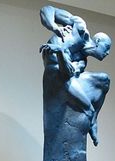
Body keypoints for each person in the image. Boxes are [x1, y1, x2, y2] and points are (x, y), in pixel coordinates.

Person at [39, 5, 111, 145]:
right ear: (98, 42)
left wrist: (60, 51)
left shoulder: (81, 62)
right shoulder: (79, 27)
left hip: (64, 70)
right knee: (88, 109)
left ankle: (93, 120)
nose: (107, 53)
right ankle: (91, 121)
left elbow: (67, 72)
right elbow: (47, 9)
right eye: (107, 48)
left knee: (104, 81)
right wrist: (54, 27)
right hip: (54, 72)